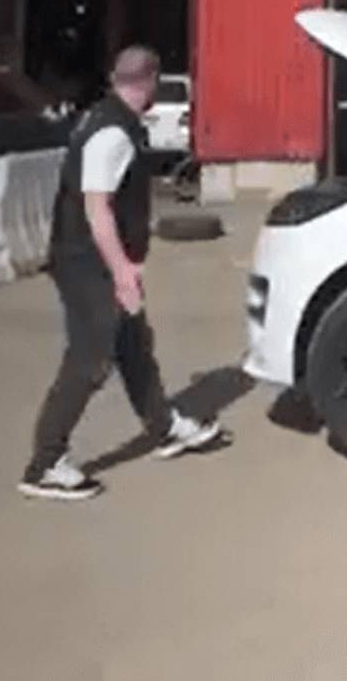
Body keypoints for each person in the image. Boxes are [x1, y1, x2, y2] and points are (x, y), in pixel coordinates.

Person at [21, 46, 224, 501]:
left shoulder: (111, 120)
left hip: (96, 257)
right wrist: (122, 271)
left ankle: (165, 427)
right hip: (86, 263)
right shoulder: (111, 132)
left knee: (133, 344)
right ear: (149, 81)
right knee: (90, 358)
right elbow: (98, 209)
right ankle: (45, 463)